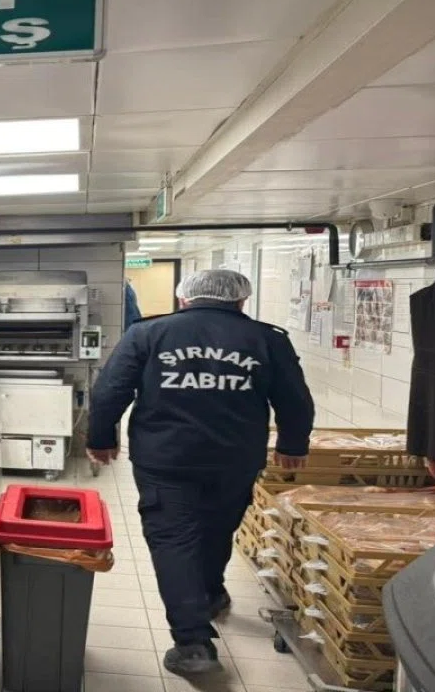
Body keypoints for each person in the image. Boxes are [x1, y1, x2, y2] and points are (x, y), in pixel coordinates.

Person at [86, 269, 314, 677]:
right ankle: (208, 594)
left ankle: (192, 642)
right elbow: (295, 398)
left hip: (166, 458)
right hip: (235, 459)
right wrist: (292, 444)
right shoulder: (267, 339)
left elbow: (110, 390)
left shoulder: (148, 333)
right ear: (241, 301)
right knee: (217, 527)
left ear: (184, 299)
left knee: (173, 538)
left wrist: (101, 438)